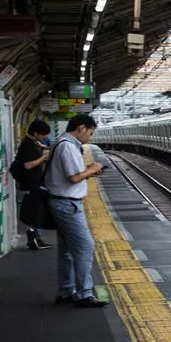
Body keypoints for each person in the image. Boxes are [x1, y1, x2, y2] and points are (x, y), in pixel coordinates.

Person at [45, 114, 107, 307]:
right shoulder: (67, 146)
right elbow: (73, 178)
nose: (90, 137)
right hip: (67, 204)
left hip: (62, 202)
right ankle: (83, 294)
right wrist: (92, 168)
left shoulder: (61, 143)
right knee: (84, 246)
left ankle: (65, 290)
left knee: (67, 251)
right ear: (81, 128)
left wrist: (88, 169)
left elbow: (72, 174)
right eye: (90, 132)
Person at [13, 120, 53, 250]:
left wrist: (45, 148)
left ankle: (36, 237)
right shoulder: (27, 145)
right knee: (36, 211)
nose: (45, 137)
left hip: (35, 182)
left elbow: (41, 146)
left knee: (36, 210)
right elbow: (27, 165)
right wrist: (43, 158)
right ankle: (35, 238)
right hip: (31, 183)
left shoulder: (33, 142)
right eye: (43, 135)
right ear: (35, 133)